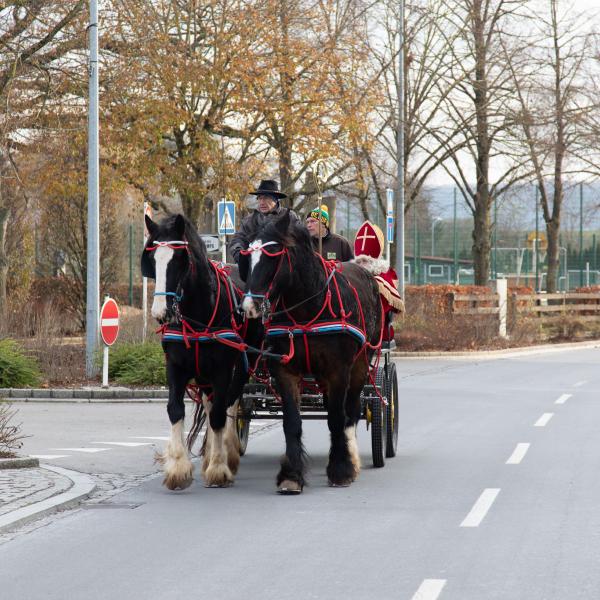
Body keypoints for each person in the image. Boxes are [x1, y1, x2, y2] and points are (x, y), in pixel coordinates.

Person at [353, 220, 404, 341]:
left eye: (364, 261)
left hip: (375, 324)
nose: (361, 266)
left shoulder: (383, 277)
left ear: (374, 262)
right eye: (358, 262)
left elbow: (382, 308)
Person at [229, 179, 298, 264]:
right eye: (260, 198)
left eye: (266, 198)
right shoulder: (249, 220)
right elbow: (237, 240)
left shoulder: (289, 217)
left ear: (276, 199)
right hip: (255, 268)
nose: (262, 202)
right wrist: (240, 255)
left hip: (284, 267)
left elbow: (300, 240)